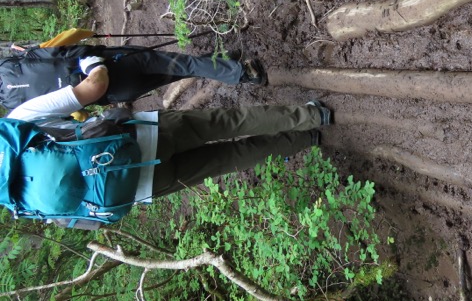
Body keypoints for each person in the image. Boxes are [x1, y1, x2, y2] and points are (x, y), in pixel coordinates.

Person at [6, 56, 332, 224]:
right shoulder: (18, 123)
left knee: (229, 159)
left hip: (141, 185)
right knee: (229, 123)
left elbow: (78, 217)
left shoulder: (18, 202)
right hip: (144, 136)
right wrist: (92, 63)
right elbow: (94, 87)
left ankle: (305, 139)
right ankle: (313, 116)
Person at [0, 44, 266, 110]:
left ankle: (223, 59)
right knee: (181, 64)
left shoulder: (13, 105)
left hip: (116, 93)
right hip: (118, 64)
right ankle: (244, 74)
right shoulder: (10, 66)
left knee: (177, 71)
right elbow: (68, 52)